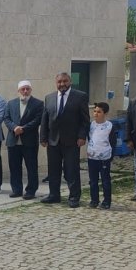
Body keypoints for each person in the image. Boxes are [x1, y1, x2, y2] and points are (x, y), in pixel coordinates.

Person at [40, 72, 89, 208]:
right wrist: (43, 137)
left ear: (70, 81)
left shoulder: (80, 97)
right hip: (53, 140)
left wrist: (82, 136)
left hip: (72, 140)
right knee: (53, 170)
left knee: (71, 170)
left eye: (65, 81)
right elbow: (45, 119)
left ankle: (74, 197)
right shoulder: (49, 98)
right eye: (59, 82)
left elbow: (85, 120)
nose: (62, 84)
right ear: (56, 83)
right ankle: (54, 195)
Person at [3, 80, 43, 199]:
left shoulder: (38, 104)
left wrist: (23, 128)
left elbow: (38, 120)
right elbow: (6, 118)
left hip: (29, 141)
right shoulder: (11, 103)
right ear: (18, 91)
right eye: (23, 89)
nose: (25, 91)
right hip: (13, 141)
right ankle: (16, 190)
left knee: (31, 167)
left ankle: (31, 191)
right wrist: (14, 127)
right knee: (14, 167)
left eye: (27, 89)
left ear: (31, 90)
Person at [87, 102, 117, 209]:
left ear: (105, 113)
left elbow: (113, 142)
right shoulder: (91, 125)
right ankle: (94, 199)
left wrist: (110, 156)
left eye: (99, 112)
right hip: (92, 157)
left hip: (104, 158)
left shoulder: (110, 126)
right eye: (94, 111)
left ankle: (107, 201)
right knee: (93, 180)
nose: (96, 114)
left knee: (105, 180)